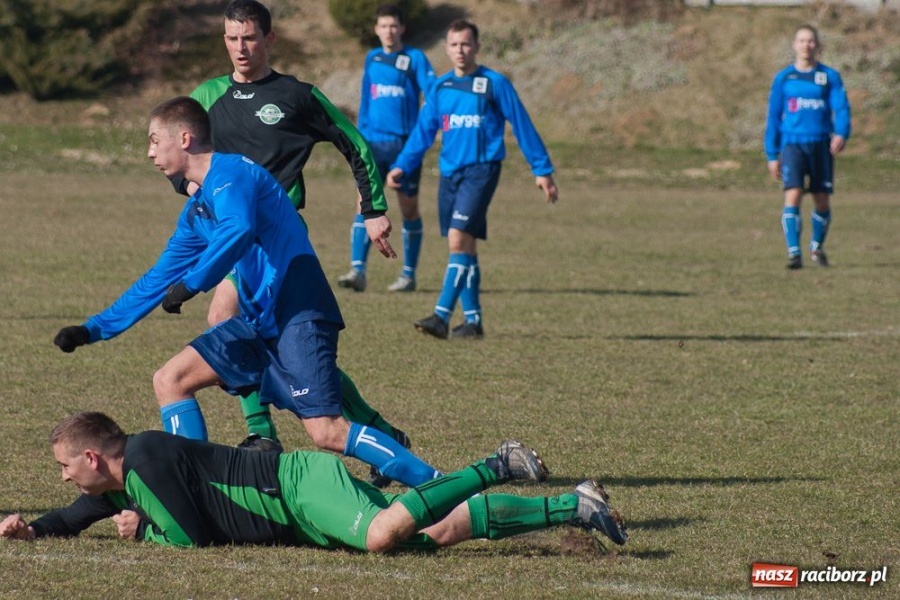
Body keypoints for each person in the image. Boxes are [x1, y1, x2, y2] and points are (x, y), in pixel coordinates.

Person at [52, 96, 441, 489]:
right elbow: (157, 278)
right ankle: (197, 492)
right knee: (170, 379)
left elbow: (238, 229)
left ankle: (436, 484)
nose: (150, 152)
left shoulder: (232, 173)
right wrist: (94, 329)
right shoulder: (198, 210)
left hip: (297, 310)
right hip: (257, 324)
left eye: (154, 141)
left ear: (184, 139)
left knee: (326, 432)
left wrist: (192, 284)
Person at [170, 0, 408, 464]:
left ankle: (262, 433)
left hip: (279, 235)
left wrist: (373, 208)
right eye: (232, 38)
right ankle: (379, 429)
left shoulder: (296, 96)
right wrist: (187, 184)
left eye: (249, 38)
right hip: (231, 236)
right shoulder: (207, 96)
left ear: (269, 39)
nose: (241, 48)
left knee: (224, 319)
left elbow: (354, 144)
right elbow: (177, 151)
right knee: (285, 351)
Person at [0, 412, 626, 552]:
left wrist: (145, 535)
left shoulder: (147, 458)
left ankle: (497, 463)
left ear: (93, 458)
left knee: (381, 535)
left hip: (297, 488)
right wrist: (33, 529)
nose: (63, 476)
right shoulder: (117, 483)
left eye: (64, 465)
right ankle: (574, 506)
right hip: (297, 515)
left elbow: (193, 537)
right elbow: (74, 516)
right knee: (428, 535)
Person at [387, 20, 559, 340]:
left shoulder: (494, 83)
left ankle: (441, 316)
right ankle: (473, 322)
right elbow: (423, 132)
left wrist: (542, 169)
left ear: (477, 47)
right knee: (465, 246)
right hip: (449, 174)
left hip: (481, 171)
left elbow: (521, 123)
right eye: (454, 45)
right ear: (447, 48)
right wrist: (402, 165)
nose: (460, 51)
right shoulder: (441, 87)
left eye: (466, 44)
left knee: (458, 239)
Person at [336, 3, 435, 293]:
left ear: (402, 28)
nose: (389, 31)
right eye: (384, 26)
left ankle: (408, 275)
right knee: (364, 203)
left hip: (404, 148)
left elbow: (433, 97)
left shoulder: (415, 58)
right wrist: (360, 139)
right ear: (376, 29)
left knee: (408, 209)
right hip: (373, 145)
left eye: (393, 26)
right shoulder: (373, 58)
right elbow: (366, 101)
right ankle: (357, 271)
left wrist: (421, 135)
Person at [765, 24, 851, 270]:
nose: (806, 45)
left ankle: (816, 247)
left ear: (817, 45)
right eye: (802, 40)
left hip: (820, 144)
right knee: (792, 193)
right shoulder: (784, 78)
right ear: (795, 45)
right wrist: (772, 154)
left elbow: (842, 108)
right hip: (793, 144)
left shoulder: (829, 76)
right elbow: (773, 117)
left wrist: (841, 132)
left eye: (811, 41)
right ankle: (794, 253)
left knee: (821, 199)